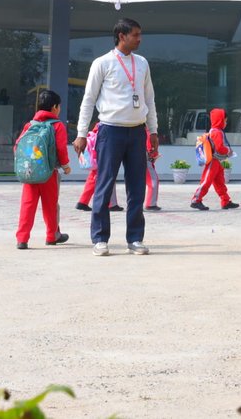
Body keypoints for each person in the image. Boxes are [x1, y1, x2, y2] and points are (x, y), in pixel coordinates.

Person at [73, 18, 159, 256]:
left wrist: (153, 130)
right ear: (122, 36)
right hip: (110, 131)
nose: (140, 39)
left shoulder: (142, 63)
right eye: (135, 35)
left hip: (137, 131)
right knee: (104, 183)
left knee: (137, 187)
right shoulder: (102, 63)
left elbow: (149, 98)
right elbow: (88, 99)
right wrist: (81, 134)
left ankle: (135, 238)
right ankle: (100, 239)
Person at [15, 89, 71, 249]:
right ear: (54, 107)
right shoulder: (57, 126)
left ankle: (22, 239)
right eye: (59, 106)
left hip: (30, 172)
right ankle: (52, 236)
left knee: (27, 205)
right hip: (49, 173)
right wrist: (66, 166)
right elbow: (61, 149)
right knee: (50, 205)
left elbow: (18, 146)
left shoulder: (29, 125)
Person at [189, 107, 238, 210]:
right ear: (220, 120)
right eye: (225, 120)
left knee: (220, 182)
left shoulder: (215, 131)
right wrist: (228, 151)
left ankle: (225, 201)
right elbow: (219, 147)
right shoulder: (217, 132)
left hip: (216, 161)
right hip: (213, 161)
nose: (226, 123)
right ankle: (196, 200)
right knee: (206, 181)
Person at [74, 122, 123, 213]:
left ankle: (83, 202)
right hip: (103, 156)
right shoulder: (109, 125)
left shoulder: (98, 126)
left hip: (95, 158)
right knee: (108, 178)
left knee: (92, 179)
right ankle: (111, 204)